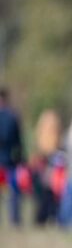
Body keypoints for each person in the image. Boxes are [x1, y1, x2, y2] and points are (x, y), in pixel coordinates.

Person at [0, 88, 25, 226]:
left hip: (6, 161)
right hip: (9, 161)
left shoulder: (11, 116)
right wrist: (21, 158)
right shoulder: (13, 116)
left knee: (10, 191)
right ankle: (14, 219)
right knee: (12, 192)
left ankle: (14, 219)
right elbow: (19, 141)